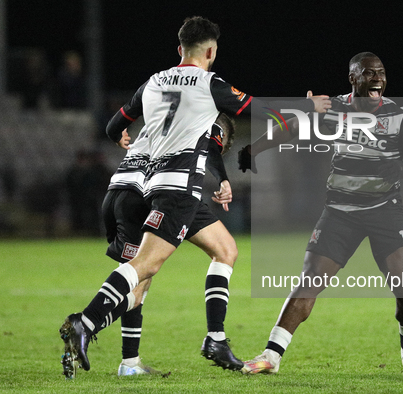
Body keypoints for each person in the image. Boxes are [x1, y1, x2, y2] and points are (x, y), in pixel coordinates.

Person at [59, 15, 331, 378]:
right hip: (175, 185)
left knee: (224, 249)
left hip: (137, 181)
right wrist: (307, 107)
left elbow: (114, 126)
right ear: (211, 51)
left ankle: (176, 349)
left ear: (179, 49)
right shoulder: (209, 83)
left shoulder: (154, 81)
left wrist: (122, 137)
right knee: (146, 266)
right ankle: (86, 323)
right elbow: (259, 110)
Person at [239, 52, 403, 374]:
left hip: (385, 211)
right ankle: (270, 356)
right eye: (368, 73)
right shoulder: (332, 109)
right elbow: (289, 128)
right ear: (352, 78)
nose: (377, 78)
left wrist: (401, 166)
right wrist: (252, 149)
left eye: (381, 73)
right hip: (340, 212)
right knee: (308, 282)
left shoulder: (400, 117)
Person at [99, 114, 236, 377]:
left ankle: (128, 362)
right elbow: (212, 140)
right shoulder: (207, 115)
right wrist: (222, 178)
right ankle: (86, 323)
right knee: (224, 251)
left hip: (122, 191)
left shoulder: (161, 111)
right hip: (170, 193)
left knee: (137, 283)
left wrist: (116, 131)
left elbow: (118, 121)